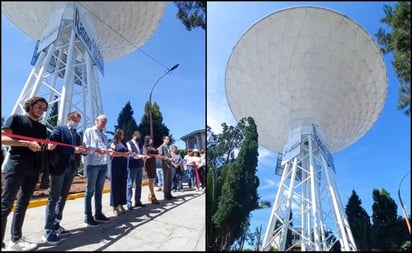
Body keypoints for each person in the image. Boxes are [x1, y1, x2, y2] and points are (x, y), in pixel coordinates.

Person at [1, 96, 55, 251]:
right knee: (6, 204)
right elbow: (3, 138)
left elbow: (41, 146)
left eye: (44, 109)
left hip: (34, 168)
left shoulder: (42, 128)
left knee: (23, 204)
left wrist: (48, 147)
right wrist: (25, 143)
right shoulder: (16, 119)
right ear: (30, 105)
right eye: (39, 106)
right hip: (17, 164)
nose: (41, 110)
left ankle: (15, 240)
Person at [43, 111, 88, 245]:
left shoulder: (77, 134)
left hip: (71, 167)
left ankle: (57, 223)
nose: (76, 123)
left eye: (78, 121)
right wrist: (73, 150)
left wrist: (83, 151)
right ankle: (48, 228)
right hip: (59, 166)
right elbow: (54, 145)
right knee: (54, 197)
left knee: (63, 197)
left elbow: (78, 150)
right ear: (69, 118)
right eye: (75, 120)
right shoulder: (60, 129)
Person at [82, 114, 111, 226]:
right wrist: (96, 150)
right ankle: (87, 216)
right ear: (96, 121)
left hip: (103, 164)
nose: (103, 124)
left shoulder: (104, 135)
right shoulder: (89, 131)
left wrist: (108, 151)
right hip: (93, 164)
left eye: (105, 122)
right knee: (90, 191)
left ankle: (98, 213)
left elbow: (106, 147)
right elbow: (85, 146)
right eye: (102, 121)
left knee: (99, 191)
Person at [108, 129, 129, 216]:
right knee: (115, 185)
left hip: (123, 166)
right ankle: (115, 206)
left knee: (122, 185)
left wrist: (125, 154)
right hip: (116, 165)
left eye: (123, 134)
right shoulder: (113, 143)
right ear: (117, 134)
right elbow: (112, 154)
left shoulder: (123, 144)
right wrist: (122, 155)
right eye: (121, 134)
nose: (122, 136)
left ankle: (121, 204)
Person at [126, 130, 146, 210]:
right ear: (134, 136)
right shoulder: (129, 143)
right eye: (138, 136)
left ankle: (138, 201)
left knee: (139, 184)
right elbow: (131, 155)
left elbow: (142, 153)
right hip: (132, 166)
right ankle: (129, 203)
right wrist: (141, 156)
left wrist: (144, 156)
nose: (139, 138)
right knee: (130, 184)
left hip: (139, 166)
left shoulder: (140, 144)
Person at [143, 135, 160, 204]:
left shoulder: (151, 147)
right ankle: (153, 196)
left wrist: (155, 150)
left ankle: (150, 195)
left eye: (151, 139)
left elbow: (156, 152)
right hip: (148, 164)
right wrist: (154, 150)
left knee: (152, 180)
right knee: (150, 180)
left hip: (153, 164)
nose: (151, 140)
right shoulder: (145, 147)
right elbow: (147, 152)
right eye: (150, 139)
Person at [157, 136, 175, 200]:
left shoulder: (168, 147)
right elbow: (160, 156)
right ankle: (165, 195)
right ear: (164, 139)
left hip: (169, 165)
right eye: (167, 139)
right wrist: (169, 159)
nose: (168, 140)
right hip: (164, 165)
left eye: (169, 139)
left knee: (169, 180)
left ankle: (169, 194)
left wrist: (171, 159)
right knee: (165, 180)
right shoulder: (161, 147)